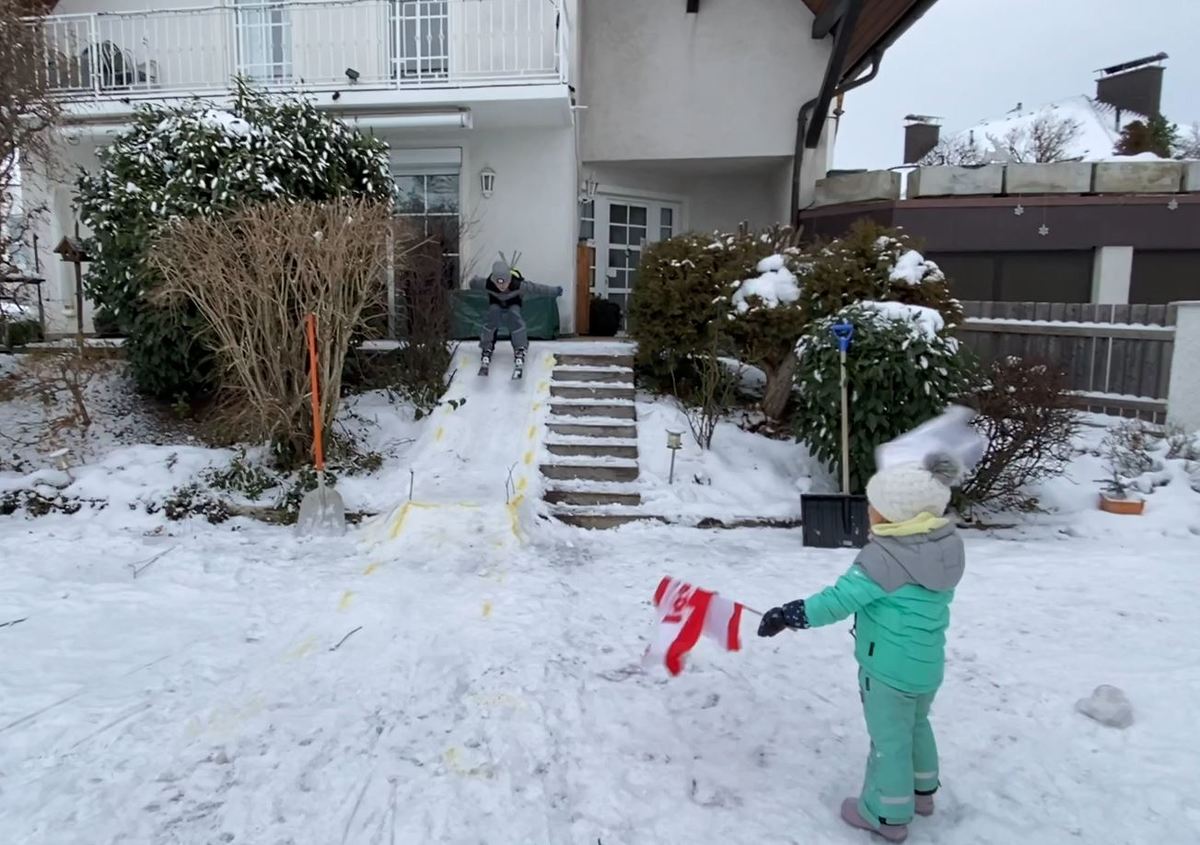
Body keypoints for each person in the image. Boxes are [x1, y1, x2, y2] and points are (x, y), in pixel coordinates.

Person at [757, 453, 966, 843]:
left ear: (894, 517)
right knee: (917, 725)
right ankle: (923, 795)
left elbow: (836, 601)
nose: (868, 510)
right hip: (926, 665)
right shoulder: (946, 546)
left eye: (875, 505)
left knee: (889, 741)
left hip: (887, 671)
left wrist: (790, 614)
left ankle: (886, 815)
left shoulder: (884, 558)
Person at [469, 259, 563, 371]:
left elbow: (538, 288)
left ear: (509, 279)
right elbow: (474, 282)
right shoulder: (487, 284)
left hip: (513, 303)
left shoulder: (519, 285)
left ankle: (520, 348)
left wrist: (555, 291)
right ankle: (487, 347)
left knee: (515, 317)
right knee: (492, 316)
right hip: (496, 303)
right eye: (498, 283)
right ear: (494, 281)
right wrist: (472, 281)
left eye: (505, 282)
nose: (502, 287)